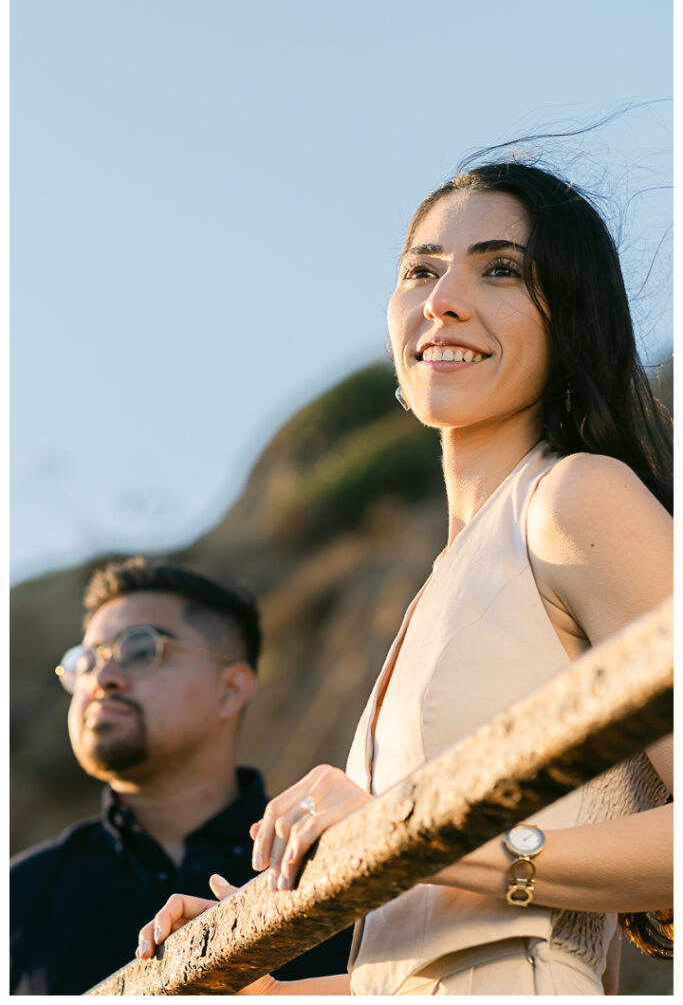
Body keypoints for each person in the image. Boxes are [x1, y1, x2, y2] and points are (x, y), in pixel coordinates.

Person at [138, 157, 673, 995]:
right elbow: (409, 970)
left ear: (568, 314)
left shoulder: (576, 498)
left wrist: (415, 834)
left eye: (499, 269)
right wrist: (242, 979)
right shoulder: (441, 583)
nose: (442, 297)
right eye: (420, 270)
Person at [10, 557, 352, 995]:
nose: (103, 678)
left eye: (139, 649)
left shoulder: (330, 854)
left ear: (230, 689)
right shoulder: (17, 900)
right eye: (86, 661)